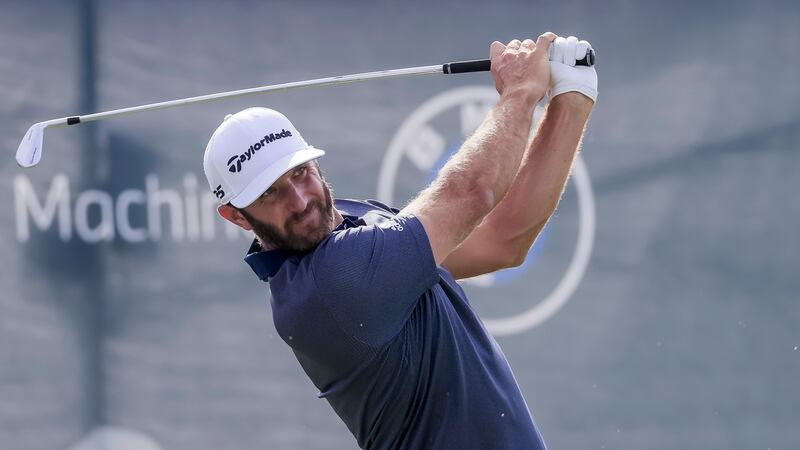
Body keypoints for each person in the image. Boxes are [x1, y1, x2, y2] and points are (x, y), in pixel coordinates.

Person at [203, 33, 597, 450]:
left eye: (299, 173)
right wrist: (520, 92)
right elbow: (471, 192)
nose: (299, 201)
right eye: (270, 194)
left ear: (314, 162)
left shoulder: (354, 225)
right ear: (235, 216)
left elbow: (504, 240)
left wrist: (573, 97)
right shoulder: (332, 281)